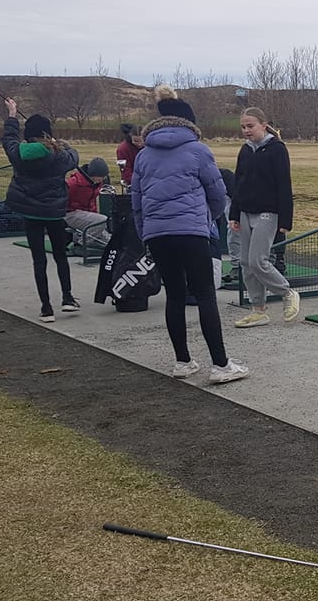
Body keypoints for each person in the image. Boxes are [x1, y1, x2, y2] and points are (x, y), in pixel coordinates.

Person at [132, 85, 248, 384]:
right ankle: (220, 364)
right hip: (192, 231)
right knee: (206, 295)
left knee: (174, 295)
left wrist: (145, 233)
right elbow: (217, 193)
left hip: (157, 233)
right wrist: (207, 219)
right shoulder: (198, 150)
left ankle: (182, 361)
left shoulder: (143, 155)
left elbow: (137, 200)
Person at [1, 98, 79, 323]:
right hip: (54, 212)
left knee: (39, 260)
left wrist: (12, 115)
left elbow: (9, 139)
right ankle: (67, 298)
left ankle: (46, 308)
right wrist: (60, 143)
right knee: (60, 255)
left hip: (31, 213)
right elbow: (74, 157)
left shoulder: (19, 153)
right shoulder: (60, 155)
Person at [228, 107, 297, 328]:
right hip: (245, 212)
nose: (246, 130)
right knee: (246, 263)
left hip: (268, 212)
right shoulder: (245, 150)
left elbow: (284, 185)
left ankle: (287, 293)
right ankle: (258, 310)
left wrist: (285, 220)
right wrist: (234, 214)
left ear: (263, 125)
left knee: (258, 260)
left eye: (250, 126)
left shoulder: (277, 149)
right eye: (243, 127)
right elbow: (238, 183)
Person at [65, 157, 113, 248]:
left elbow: (92, 202)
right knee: (102, 220)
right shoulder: (73, 183)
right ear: (93, 174)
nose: (102, 179)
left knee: (109, 240)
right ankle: (81, 244)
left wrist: (94, 215)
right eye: (101, 177)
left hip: (84, 214)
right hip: (69, 213)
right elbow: (61, 200)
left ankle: (80, 237)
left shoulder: (96, 184)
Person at [116, 123, 143, 187]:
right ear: (131, 137)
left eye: (142, 141)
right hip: (132, 183)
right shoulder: (123, 149)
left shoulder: (150, 147)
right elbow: (126, 171)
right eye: (136, 141)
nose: (139, 144)